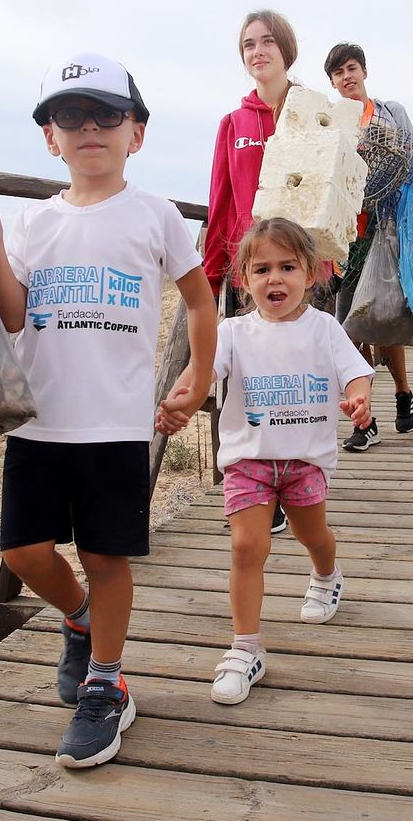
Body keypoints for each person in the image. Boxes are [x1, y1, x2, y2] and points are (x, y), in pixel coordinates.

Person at [0, 51, 217, 768]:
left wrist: (198, 376)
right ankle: (79, 621)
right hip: (39, 419)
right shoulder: (35, 222)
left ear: (136, 132)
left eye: (108, 114)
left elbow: (200, 299)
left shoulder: (155, 214)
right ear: (50, 137)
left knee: (107, 556)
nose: (89, 128)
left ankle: (107, 684)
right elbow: (13, 312)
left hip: (114, 423)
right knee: (24, 552)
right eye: (69, 116)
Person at [157, 218, 373, 705]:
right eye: (262, 269)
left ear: (312, 274)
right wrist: (182, 403)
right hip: (249, 461)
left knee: (311, 534)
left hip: (304, 460)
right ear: (243, 279)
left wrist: (359, 400)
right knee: (246, 547)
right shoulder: (232, 331)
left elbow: (357, 374)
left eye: (288, 267)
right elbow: (202, 371)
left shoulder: (326, 329)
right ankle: (245, 647)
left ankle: (325, 574)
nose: (275, 279)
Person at [206, 9, 302, 536]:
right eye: (248, 45)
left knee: (294, 380)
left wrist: (327, 259)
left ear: (286, 48)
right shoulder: (234, 124)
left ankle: (296, 483)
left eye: (267, 42)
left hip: (303, 267)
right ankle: (252, 488)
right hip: (251, 271)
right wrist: (211, 270)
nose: (258, 51)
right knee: (249, 381)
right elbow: (220, 198)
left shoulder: (311, 112)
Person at [324, 42, 413, 449]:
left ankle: (403, 391)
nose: (347, 77)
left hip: (388, 230)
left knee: (384, 322)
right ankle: (365, 421)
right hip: (349, 237)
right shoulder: (330, 124)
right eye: (338, 73)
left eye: (351, 68)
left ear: (364, 71)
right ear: (332, 82)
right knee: (352, 328)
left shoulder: (390, 111)